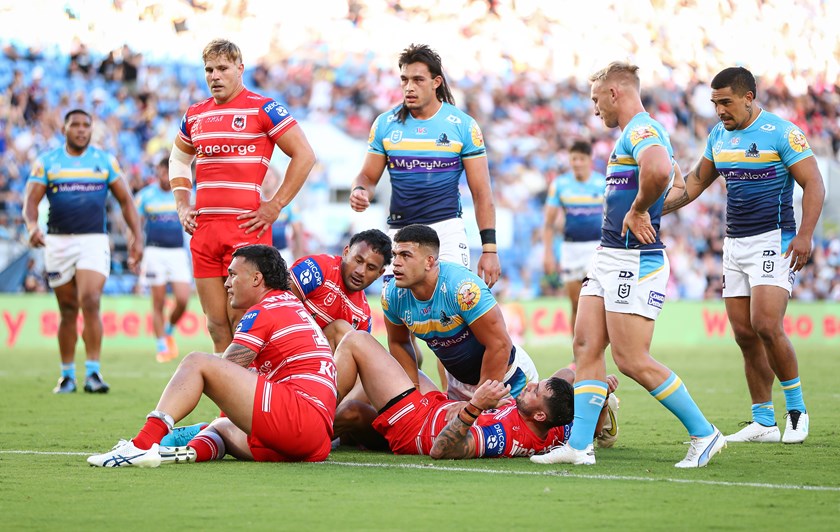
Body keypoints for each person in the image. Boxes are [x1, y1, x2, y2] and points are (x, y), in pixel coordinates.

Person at [532, 62, 724, 469]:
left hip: (634, 261)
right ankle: (579, 446)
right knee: (585, 346)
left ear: (614, 93)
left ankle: (705, 434)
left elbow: (657, 171)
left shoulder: (641, 129)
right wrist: (647, 209)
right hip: (608, 256)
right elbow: (671, 184)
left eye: (596, 98)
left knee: (631, 359)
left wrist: (639, 211)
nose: (594, 107)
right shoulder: (636, 133)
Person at [663, 66, 825, 444]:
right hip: (734, 243)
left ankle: (797, 411)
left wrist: (805, 234)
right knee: (744, 334)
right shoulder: (719, 135)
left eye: (726, 102)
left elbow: (813, 181)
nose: (719, 110)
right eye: (714, 103)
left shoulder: (781, 133)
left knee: (766, 324)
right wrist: (651, 210)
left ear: (748, 98)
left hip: (775, 238)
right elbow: (698, 181)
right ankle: (763, 421)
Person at [87, 245, 337, 467]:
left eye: (233, 274)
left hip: (298, 418)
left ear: (256, 279)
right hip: (316, 440)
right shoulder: (289, 304)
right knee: (221, 427)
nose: (227, 283)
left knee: (197, 363)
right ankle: (180, 452)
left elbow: (222, 373)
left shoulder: (264, 310)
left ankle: (142, 444)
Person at [168, 38, 315, 356]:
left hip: (247, 230)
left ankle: (252, 399)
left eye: (222, 68)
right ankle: (228, 406)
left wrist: (275, 205)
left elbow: (304, 155)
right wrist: (182, 204)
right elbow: (178, 159)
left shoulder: (263, 108)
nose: (214, 76)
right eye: (209, 70)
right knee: (216, 325)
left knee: (245, 323)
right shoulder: (195, 115)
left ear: (240, 69)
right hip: (204, 230)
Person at [349, 43, 501, 289]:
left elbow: (482, 192)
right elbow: (367, 176)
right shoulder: (385, 124)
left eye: (418, 79)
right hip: (400, 233)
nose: (409, 87)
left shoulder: (463, 125)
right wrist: (360, 190)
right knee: (400, 317)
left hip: (446, 231)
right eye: (404, 79)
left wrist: (490, 250)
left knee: (453, 310)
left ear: (436, 82)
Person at [333, 330, 619, 459]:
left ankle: (311, 417)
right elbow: (589, 430)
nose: (529, 385)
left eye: (535, 390)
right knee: (405, 366)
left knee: (356, 340)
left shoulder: (503, 436)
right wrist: (600, 397)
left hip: (416, 424)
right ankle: (343, 431)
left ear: (540, 414)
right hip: (439, 406)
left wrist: (474, 406)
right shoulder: (556, 428)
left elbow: (440, 451)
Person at [23, 109, 143, 394]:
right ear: (64, 129)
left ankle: (93, 373)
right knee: (67, 309)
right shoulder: (48, 162)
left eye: (86, 125)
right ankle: (67, 376)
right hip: (57, 242)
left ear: (92, 130)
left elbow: (126, 201)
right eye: (74, 125)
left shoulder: (104, 161)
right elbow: (30, 201)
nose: (80, 130)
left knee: (90, 299)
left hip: (93, 240)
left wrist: (136, 236)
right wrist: (31, 227)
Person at [382, 224, 538, 402]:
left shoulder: (463, 288)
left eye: (405, 255)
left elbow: (499, 345)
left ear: (429, 261)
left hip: (507, 380)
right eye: (395, 255)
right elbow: (399, 342)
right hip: (457, 384)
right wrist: (412, 396)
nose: (395, 262)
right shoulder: (391, 294)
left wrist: (476, 406)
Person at [542, 139, 606, 344]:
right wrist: (548, 254)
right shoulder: (560, 184)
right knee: (575, 304)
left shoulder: (602, 183)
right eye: (573, 159)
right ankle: (578, 352)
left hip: (596, 248)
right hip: (570, 249)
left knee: (595, 304)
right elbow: (549, 223)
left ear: (589, 160)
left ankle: (596, 349)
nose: (577, 163)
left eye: (581, 159)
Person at [289, 228, 392, 349]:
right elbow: (278, 305)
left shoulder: (363, 316)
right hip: (283, 349)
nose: (360, 271)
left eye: (370, 268)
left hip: (319, 362)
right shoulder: (317, 269)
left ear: (379, 274)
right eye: (358, 260)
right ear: (346, 252)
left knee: (355, 340)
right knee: (341, 329)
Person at [135, 157, 192, 363]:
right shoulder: (146, 196)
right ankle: (161, 345)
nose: (165, 175)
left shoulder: (183, 194)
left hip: (177, 253)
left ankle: (168, 330)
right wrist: (136, 246)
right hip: (154, 253)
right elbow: (134, 223)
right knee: (158, 301)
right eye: (162, 170)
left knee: (183, 299)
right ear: (157, 171)